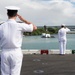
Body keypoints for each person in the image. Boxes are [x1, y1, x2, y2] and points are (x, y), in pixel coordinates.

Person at [0, 6, 37, 75]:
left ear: (7, 14)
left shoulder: (1, 26)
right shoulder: (20, 25)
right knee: (15, 73)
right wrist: (24, 20)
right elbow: (34, 27)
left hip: (4, 52)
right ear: (16, 14)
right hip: (16, 52)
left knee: (4, 73)